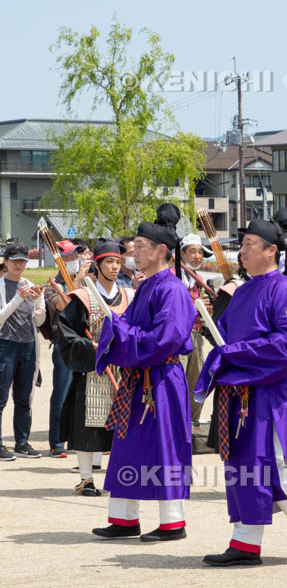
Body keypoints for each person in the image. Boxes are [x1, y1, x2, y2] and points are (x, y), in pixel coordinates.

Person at [196, 208, 287, 566]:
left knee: (278, 465)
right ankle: (245, 541)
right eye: (242, 244)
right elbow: (226, 335)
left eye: (250, 244)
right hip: (239, 393)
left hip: (270, 395)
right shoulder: (242, 290)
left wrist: (234, 352)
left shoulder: (283, 288)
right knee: (243, 467)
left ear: (271, 250)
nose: (243, 250)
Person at [91, 203, 195, 541]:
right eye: (133, 245)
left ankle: (172, 522)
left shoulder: (172, 288)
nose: (132, 251)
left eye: (140, 245)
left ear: (160, 251)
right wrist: (115, 325)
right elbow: (133, 326)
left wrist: (122, 332)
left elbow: (167, 339)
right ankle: (124, 519)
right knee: (127, 445)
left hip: (162, 379)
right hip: (141, 379)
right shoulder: (149, 285)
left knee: (164, 447)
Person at [56, 238, 134, 496]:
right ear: (97, 265)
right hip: (92, 371)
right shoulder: (82, 297)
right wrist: (90, 346)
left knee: (123, 427)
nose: (114, 267)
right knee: (88, 425)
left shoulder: (128, 296)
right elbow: (66, 334)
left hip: (122, 372)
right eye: (109, 262)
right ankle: (86, 479)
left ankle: (119, 476)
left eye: (118, 262)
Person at [0, 243, 45, 461]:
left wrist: (38, 302)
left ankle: (22, 442)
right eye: (14, 260)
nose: (18, 265)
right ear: (5, 262)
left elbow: (38, 320)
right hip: (5, 344)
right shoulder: (1, 285)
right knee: (0, 397)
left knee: (24, 397)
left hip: (28, 345)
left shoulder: (30, 284)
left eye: (22, 261)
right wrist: (18, 298)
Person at [42, 239, 86, 459]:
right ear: (59, 261)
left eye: (75, 256)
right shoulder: (52, 285)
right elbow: (62, 304)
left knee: (82, 393)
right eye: (68, 257)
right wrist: (75, 282)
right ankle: (57, 442)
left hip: (84, 343)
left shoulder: (87, 282)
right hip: (63, 345)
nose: (73, 260)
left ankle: (76, 439)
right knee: (61, 392)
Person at [180, 233, 215, 427]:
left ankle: (191, 423)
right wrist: (193, 308)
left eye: (201, 252)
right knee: (179, 380)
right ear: (182, 254)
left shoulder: (198, 279)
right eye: (193, 251)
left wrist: (205, 310)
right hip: (180, 336)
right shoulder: (173, 276)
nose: (198, 256)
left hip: (197, 334)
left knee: (197, 381)